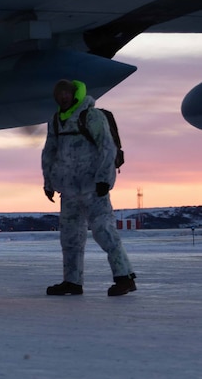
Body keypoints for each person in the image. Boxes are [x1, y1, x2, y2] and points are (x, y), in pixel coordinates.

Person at [41, 79, 136, 296]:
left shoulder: (92, 116)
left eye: (66, 93)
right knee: (70, 237)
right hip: (69, 191)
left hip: (93, 188)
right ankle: (72, 281)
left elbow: (107, 147)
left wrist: (104, 179)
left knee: (104, 231)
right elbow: (49, 153)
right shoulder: (56, 121)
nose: (62, 98)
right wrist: (48, 182)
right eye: (59, 94)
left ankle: (125, 277)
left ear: (74, 94)